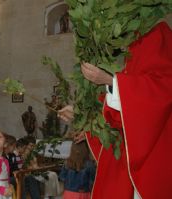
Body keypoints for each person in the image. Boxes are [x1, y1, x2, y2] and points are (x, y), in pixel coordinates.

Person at [59, 22, 172, 199]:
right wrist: (81, 115)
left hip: (153, 152)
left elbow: (163, 89)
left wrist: (111, 81)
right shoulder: (116, 40)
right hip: (125, 156)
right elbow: (115, 113)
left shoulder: (156, 31)